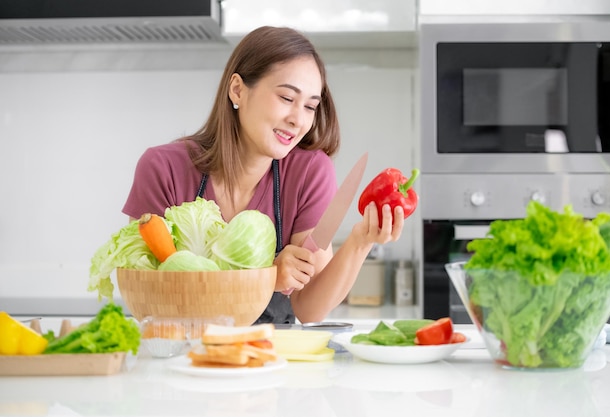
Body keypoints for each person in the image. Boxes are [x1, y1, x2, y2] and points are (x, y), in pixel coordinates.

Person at [122, 26, 405, 324]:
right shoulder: (163, 168)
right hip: (182, 355)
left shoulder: (309, 172)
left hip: (270, 360)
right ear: (237, 90)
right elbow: (148, 295)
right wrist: (268, 275)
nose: (298, 119)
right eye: (286, 98)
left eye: (310, 106)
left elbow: (309, 310)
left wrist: (360, 242)